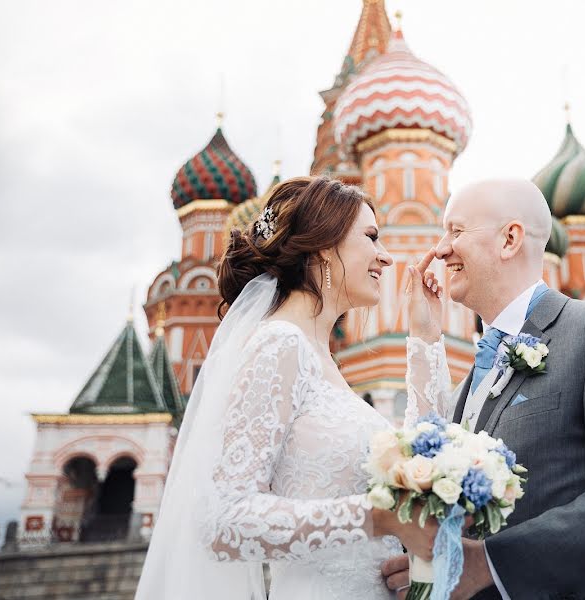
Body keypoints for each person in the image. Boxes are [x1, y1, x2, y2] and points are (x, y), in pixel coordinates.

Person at [136, 176, 446, 599]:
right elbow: (223, 520)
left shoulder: (321, 358)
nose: (385, 257)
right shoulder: (279, 344)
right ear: (323, 245)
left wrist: (424, 339)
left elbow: (421, 455)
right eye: (371, 237)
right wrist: (376, 517)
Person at [383, 179, 585, 599]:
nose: (441, 249)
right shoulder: (469, 379)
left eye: (456, 231)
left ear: (510, 239)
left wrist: (489, 563)